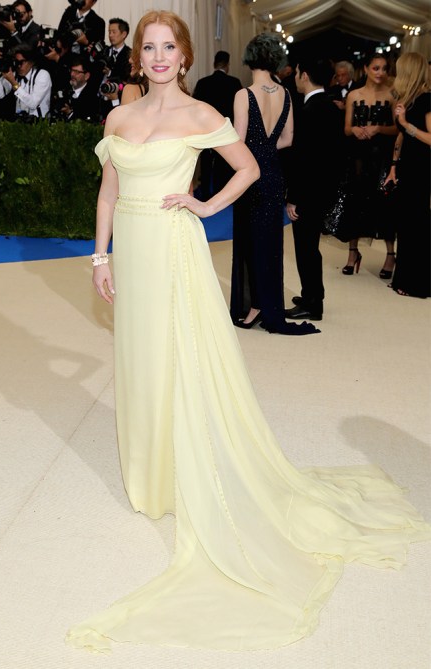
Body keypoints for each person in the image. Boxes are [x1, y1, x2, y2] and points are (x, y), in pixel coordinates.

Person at [65, 10, 431, 654]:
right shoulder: (118, 118)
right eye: (148, 47)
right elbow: (106, 192)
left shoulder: (201, 114)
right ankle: (150, 473)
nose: (157, 57)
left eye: (167, 47)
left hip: (173, 248)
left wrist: (204, 205)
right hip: (133, 254)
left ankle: (184, 471)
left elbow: (249, 168)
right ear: (138, 56)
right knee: (140, 358)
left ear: (184, 56)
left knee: (180, 357)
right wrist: (100, 256)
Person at [230, 34, 318, 335]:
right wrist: (266, 151)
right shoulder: (286, 94)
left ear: (249, 58)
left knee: (248, 240)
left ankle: (255, 305)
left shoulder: (244, 95)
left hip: (250, 176)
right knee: (269, 242)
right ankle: (267, 304)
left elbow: (238, 142)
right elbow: (288, 139)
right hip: (274, 175)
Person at [284, 57, 344, 321]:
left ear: (305, 75)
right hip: (324, 187)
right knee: (310, 247)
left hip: (309, 192)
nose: (296, 77)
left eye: (297, 72)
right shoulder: (331, 107)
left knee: (306, 248)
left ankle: (312, 302)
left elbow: (303, 160)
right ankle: (311, 294)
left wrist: (294, 197)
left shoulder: (309, 111)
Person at [339, 53, 397, 277]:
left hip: (382, 156)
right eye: (375, 68)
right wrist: (354, 129)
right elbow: (346, 128)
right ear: (365, 69)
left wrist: (379, 128)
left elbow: (398, 128)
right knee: (355, 201)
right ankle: (353, 253)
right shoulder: (354, 95)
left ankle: (390, 255)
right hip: (358, 157)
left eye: (384, 68)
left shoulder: (392, 95)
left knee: (385, 203)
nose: (380, 73)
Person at [384, 52, 431, 298]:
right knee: (406, 224)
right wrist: (393, 166)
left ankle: (417, 283)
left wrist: (406, 124)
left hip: (422, 169)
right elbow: (401, 137)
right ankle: (404, 278)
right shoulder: (409, 100)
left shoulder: (427, 100)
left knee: (416, 225)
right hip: (408, 167)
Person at [193, 50, 242, 198]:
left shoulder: (202, 83)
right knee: (223, 164)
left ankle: (206, 194)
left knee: (206, 164)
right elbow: (239, 109)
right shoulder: (234, 82)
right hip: (225, 130)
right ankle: (221, 194)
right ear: (227, 65)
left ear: (214, 64)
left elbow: (195, 108)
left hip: (206, 131)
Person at [0, 43, 52, 119]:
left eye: (21, 62)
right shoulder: (15, 75)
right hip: (20, 121)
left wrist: (14, 84)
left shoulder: (42, 75)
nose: (18, 66)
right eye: (16, 62)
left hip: (39, 122)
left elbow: (33, 103)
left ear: (31, 61)